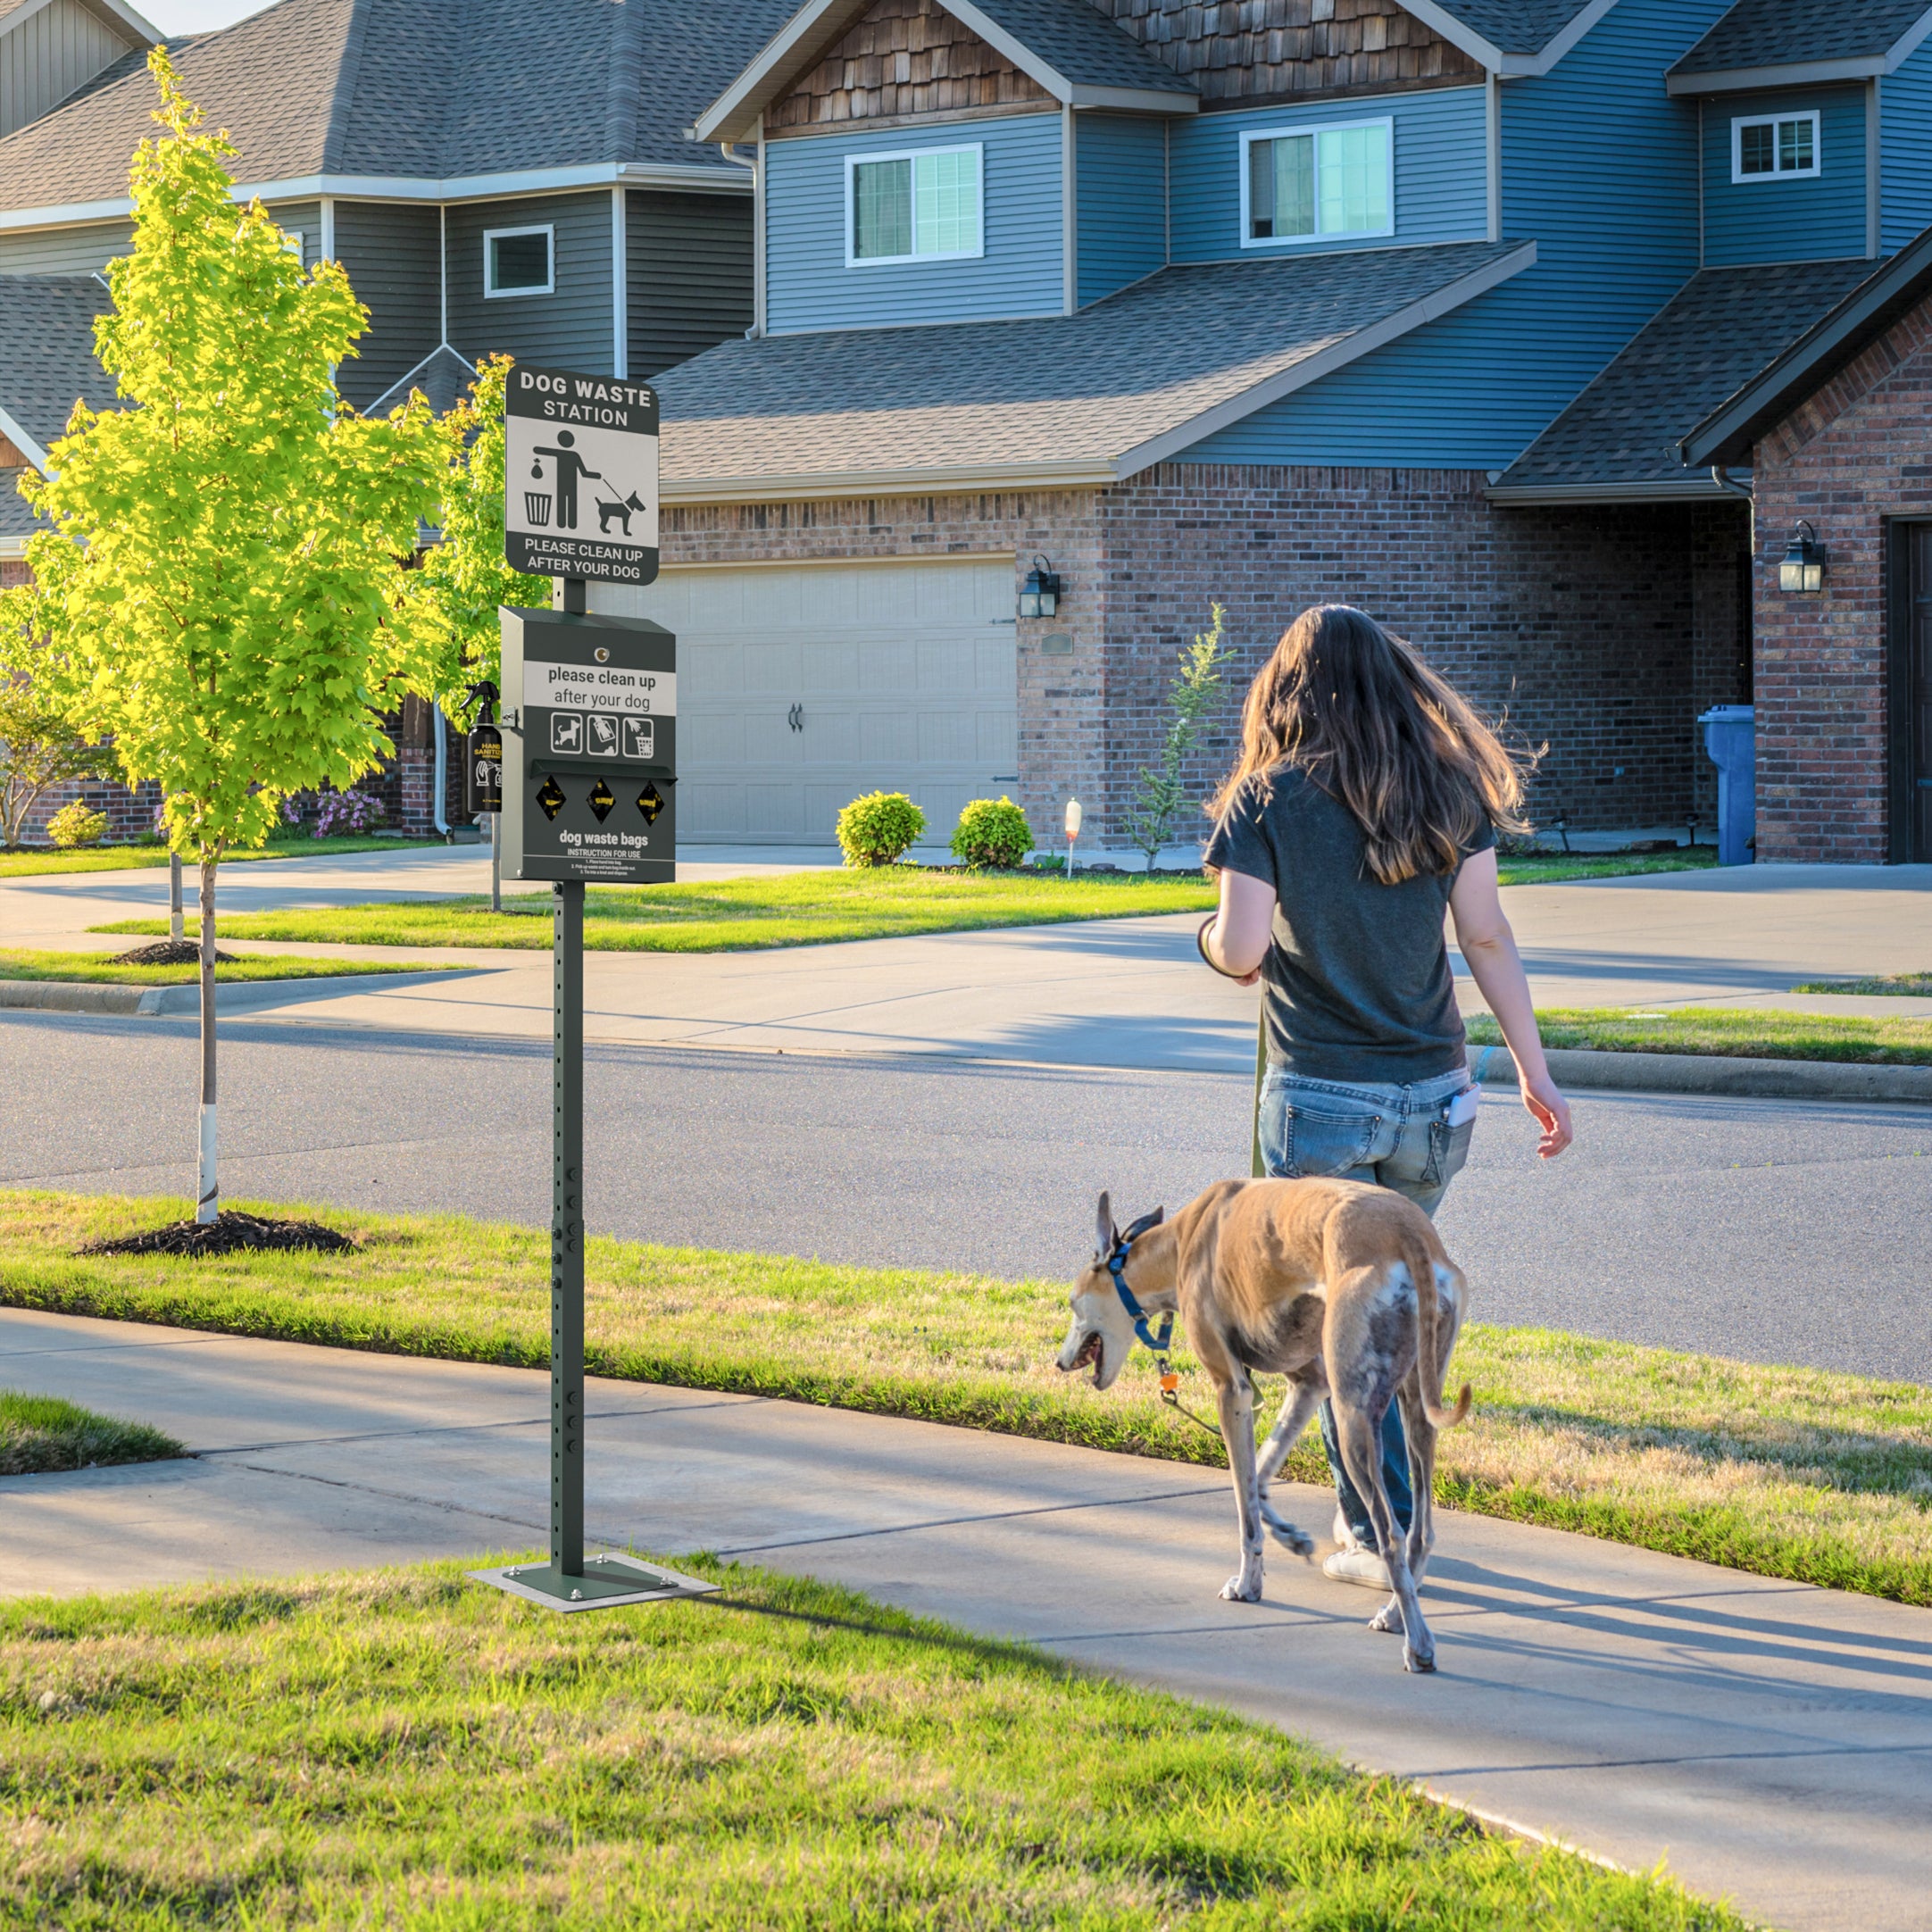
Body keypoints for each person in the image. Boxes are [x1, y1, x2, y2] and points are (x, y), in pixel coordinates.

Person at [1196, 604, 1571, 1590]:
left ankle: (1378, 1530)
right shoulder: (1447, 788)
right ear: (1397, 685)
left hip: (1318, 1098)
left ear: (1285, 691)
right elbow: (1485, 937)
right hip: (1437, 1108)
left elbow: (1238, 950)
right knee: (1385, 1318)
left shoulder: (1263, 798)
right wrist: (1536, 1071)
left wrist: (1206, 939)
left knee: (1341, 1330)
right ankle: (1386, 1517)